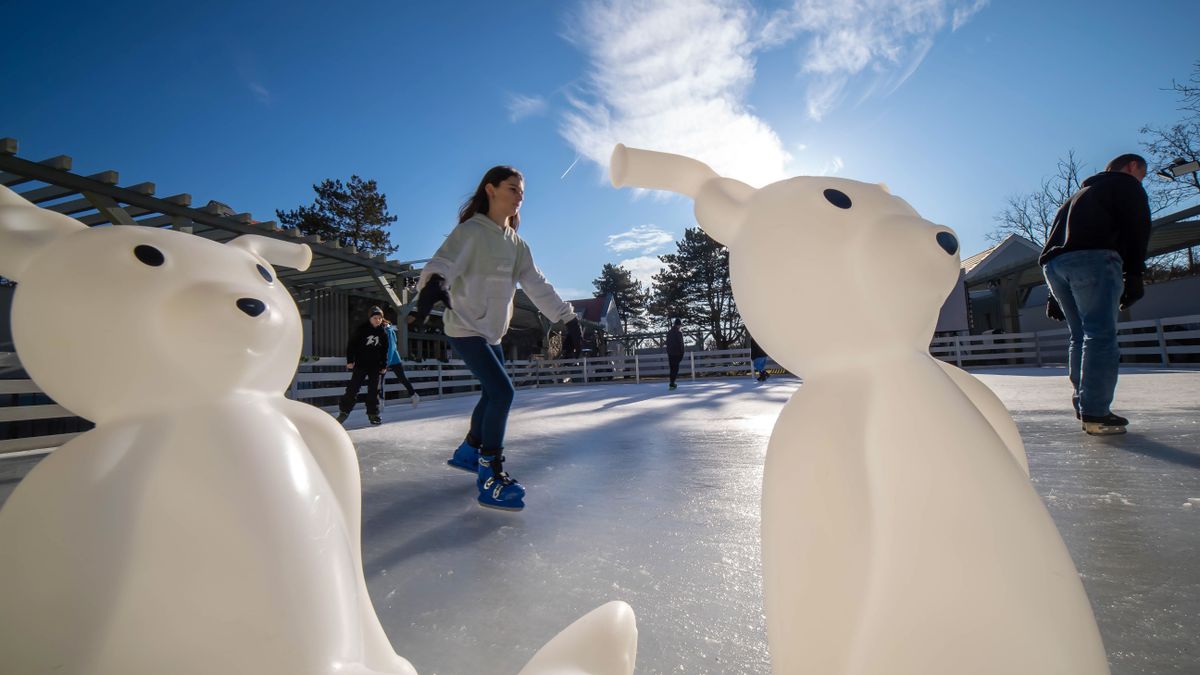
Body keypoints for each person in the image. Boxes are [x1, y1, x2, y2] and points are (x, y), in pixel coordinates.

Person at [409, 165, 583, 511]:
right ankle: (490, 474)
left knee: (493, 392)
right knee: (503, 391)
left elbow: (537, 285)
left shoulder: (517, 245)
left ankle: (468, 451)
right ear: (490, 189)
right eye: (512, 188)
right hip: (464, 326)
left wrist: (567, 317)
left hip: (491, 332)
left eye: (522, 191)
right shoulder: (471, 231)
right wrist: (434, 284)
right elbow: (442, 263)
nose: (519, 197)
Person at [1039, 153, 1152, 435]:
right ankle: (1096, 412)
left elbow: (1053, 241)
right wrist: (1135, 273)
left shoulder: (1076, 197)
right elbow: (1137, 228)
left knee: (1080, 336)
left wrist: (1054, 295)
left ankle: (1084, 404)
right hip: (1095, 259)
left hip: (1054, 266)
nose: (1141, 180)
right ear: (1132, 166)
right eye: (1143, 174)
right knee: (1100, 334)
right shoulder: (1126, 185)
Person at [336, 306, 390, 426]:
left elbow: (385, 350)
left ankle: (373, 414)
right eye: (375, 318)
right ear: (370, 318)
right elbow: (352, 345)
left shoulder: (383, 333)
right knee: (353, 388)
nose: (377, 320)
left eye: (380, 318)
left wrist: (384, 365)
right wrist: (350, 360)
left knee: (374, 390)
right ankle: (344, 411)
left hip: (375, 366)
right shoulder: (361, 329)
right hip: (361, 364)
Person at [380, 317, 420, 407]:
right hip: (387, 359)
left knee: (401, 378)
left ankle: (414, 395)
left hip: (392, 359)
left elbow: (391, 348)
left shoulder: (388, 331)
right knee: (380, 380)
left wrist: (387, 362)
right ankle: (380, 400)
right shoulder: (386, 331)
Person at [666, 318, 684, 390]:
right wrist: (682, 353)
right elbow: (681, 344)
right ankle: (672, 383)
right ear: (678, 325)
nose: (680, 327)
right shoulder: (679, 333)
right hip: (677, 353)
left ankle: (671, 383)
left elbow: (667, 343)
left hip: (670, 354)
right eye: (680, 325)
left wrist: (668, 352)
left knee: (672, 369)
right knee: (675, 369)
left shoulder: (669, 333)